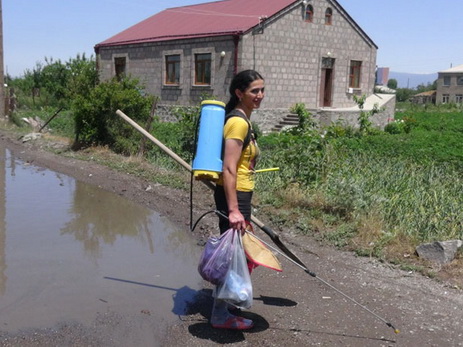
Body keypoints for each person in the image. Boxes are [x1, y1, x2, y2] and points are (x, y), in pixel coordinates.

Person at [211, 70, 265, 330]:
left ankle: (227, 305)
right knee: (233, 255)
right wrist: (234, 210)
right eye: (254, 91)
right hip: (234, 197)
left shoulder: (245, 120)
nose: (260, 95)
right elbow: (229, 168)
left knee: (237, 253)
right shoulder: (238, 122)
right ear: (239, 93)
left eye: (262, 90)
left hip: (240, 194)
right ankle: (221, 315)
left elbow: (240, 163)